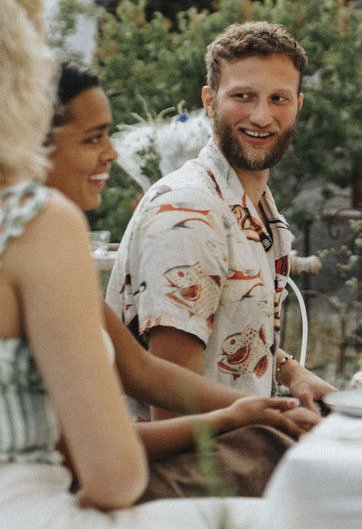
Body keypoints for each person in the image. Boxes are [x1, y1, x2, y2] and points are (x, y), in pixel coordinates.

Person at [0, 0, 249, 523]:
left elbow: (136, 370)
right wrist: (239, 418)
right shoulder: (32, 223)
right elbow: (112, 476)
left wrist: (259, 406)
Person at [49, 62, 317, 502]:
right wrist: (237, 419)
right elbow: (94, 456)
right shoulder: (189, 213)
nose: (113, 153)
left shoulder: (60, 242)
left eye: (279, 99)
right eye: (94, 137)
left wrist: (283, 385)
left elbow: (139, 370)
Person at [107, 22, 336, 419]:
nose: (262, 116)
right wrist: (279, 423)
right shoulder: (188, 215)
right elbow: (173, 411)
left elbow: (225, 322)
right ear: (209, 101)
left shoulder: (249, 202)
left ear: (298, 105)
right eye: (243, 97)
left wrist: (290, 371)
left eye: (278, 98)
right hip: (196, 467)